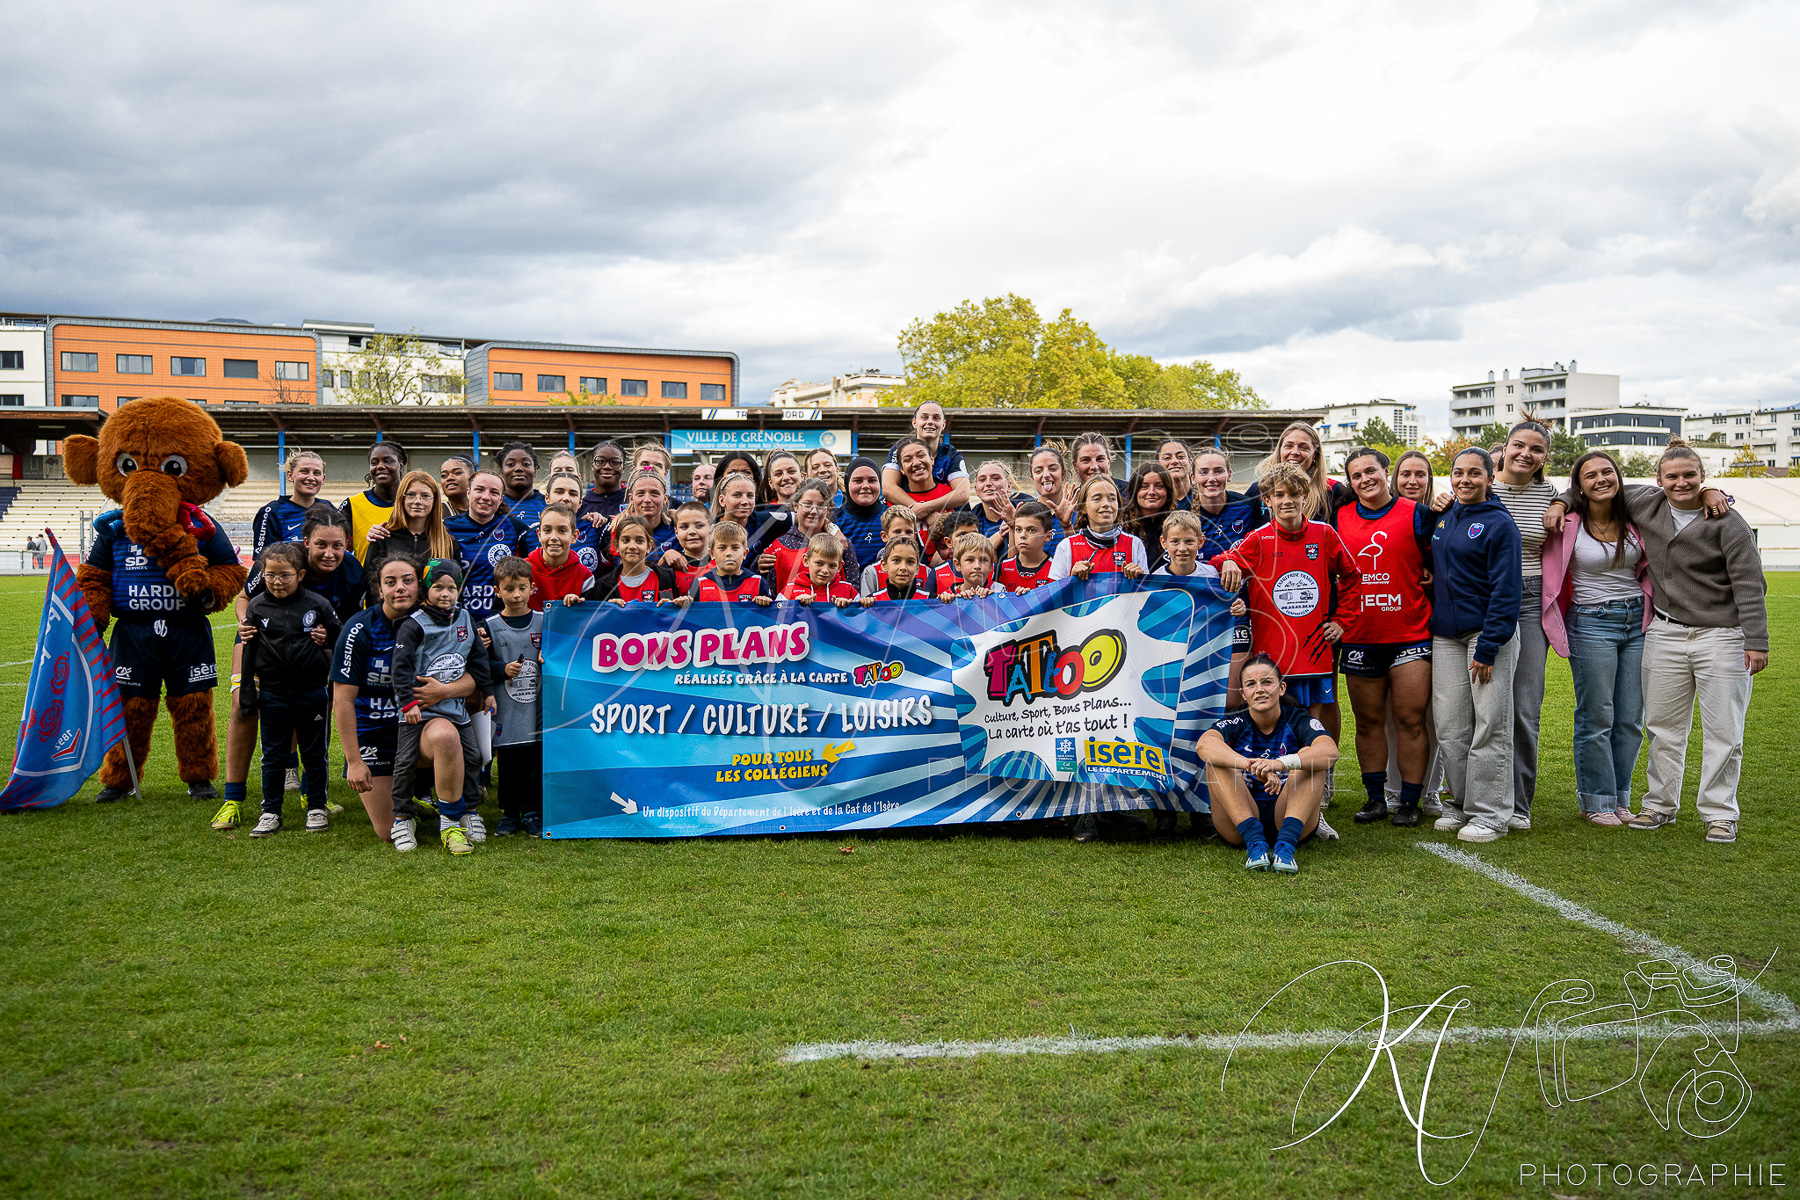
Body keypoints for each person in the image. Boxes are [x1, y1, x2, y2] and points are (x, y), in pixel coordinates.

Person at [1542, 439, 1767, 843]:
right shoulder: (1642, 504)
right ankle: (1653, 804)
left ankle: (1718, 813)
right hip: (1652, 629)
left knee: (1715, 729)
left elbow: (1750, 584)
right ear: (1658, 480)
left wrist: (1757, 640)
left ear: (1702, 477)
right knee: (1656, 727)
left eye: (1690, 476)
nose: (1681, 483)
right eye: (1672, 476)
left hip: (1708, 632)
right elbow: (1583, 488)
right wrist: (1559, 502)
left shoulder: (1722, 520)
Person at [1214, 463, 1359, 812]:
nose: (1287, 500)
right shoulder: (1259, 538)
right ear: (1267, 500)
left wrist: (1342, 621)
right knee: (1278, 729)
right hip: (1273, 658)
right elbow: (1219, 561)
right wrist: (1228, 561)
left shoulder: (1324, 534)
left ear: (1306, 496)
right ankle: (1273, 799)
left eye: (1294, 494)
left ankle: (1314, 802)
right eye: (1279, 495)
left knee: (1311, 730)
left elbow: (1353, 577)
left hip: (1315, 654)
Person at [1541, 450, 1652, 827]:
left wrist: (1710, 491)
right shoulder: (1568, 522)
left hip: (1637, 621)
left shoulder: (1635, 516)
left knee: (1630, 718)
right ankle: (1596, 800)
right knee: (1597, 714)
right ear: (1579, 486)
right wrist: (1561, 502)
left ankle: (1620, 798)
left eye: (1607, 472)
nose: (1601, 479)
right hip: (1591, 622)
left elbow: (1674, 491)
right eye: (1590, 475)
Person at [1332, 448, 1436, 828]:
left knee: (1410, 720)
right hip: (1360, 636)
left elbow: (1442, 560)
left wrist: (1431, 574)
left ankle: (1410, 801)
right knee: (1367, 721)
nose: (1365, 479)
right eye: (1356, 475)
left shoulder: (1418, 514)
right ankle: (1376, 798)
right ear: (1350, 482)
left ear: (1385, 471)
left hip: (1410, 634)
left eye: (1371, 471)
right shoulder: (1339, 517)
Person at [1427, 448, 1522, 845]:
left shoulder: (1500, 523)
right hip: (1446, 636)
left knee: (1490, 725)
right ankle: (1460, 804)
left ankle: (1490, 814)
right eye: (1457, 473)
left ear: (1490, 478)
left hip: (1485, 636)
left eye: (1474, 473)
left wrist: (1489, 646)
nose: (1464, 480)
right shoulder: (1446, 516)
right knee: (1451, 726)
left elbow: (1507, 589)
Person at [332, 554, 439, 849]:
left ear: (419, 587)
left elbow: (473, 678)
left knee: (447, 736)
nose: (400, 588)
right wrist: (354, 761)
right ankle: (410, 801)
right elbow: (342, 701)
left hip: (419, 730)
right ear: (380, 590)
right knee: (387, 832)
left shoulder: (438, 621)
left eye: (408, 580)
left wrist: (443, 691)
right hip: (375, 735)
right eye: (390, 582)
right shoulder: (359, 628)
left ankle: (454, 807)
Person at [1197, 654, 1339, 873]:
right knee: (1217, 760)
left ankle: (1286, 847)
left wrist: (1279, 764)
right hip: (1242, 819)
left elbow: (1330, 751)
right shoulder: (1236, 720)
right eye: (1251, 684)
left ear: (1281, 688)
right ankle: (1255, 844)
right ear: (1243, 694)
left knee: (1310, 757)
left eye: (1267, 682)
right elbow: (1204, 745)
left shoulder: (1298, 718)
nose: (1259, 689)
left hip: (1288, 814)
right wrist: (1250, 765)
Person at [238, 543, 342, 837]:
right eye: (270, 575)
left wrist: (326, 637)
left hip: (312, 692)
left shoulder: (317, 604)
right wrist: (247, 692)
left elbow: (339, 636)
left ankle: (316, 807)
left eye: (285, 575)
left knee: (314, 753)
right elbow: (249, 651)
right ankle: (271, 811)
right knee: (273, 755)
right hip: (272, 694)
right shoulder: (257, 606)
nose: (277, 582)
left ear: (300, 575)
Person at [391, 559, 495, 855]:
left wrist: (488, 692)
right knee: (406, 762)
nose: (445, 594)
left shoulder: (466, 619)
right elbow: (400, 667)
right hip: (418, 711)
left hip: (455, 710)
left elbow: (478, 660)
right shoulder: (413, 624)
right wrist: (408, 703)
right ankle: (402, 817)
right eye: (438, 587)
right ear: (426, 590)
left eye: (452, 588)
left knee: (474, 757)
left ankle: (468, 811)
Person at [1385, 449, 1443, 814]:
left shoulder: (1442, 515)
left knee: (1433, 714)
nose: (1412, 481)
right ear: (1394, 479)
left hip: (1436, 624)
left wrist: (1435, 573)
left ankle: (1431, 789)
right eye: (1405, 474)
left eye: (1420, 474)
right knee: (1395, 714)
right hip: (1390, 625)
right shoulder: (1384, 514)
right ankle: (1394, 788)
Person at [1188, 447, 1258, 709]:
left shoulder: (1247, 507)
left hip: (1240, 610)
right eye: (1203, 472)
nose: (1211, 478)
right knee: (1200, 694)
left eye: (1218, 471)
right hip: (1199, 614)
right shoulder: (1184, 513)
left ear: (1229, 474)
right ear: (1193, 477)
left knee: (1234, 698)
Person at [485, 557, 544, 837]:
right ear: (498, 591)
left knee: (534, 759)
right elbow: (480, 665)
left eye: (522, 588)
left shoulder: (545, 621)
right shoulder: (489, 626)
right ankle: (509, 813)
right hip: (506, 709)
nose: (517, 595)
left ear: (533, 587)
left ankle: (531, 812)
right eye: (509, 589)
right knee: (508, 760)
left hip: (537, 707)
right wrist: (501, 669)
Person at [445, 469, 527, 624]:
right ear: (468, 493)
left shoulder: (515, 528)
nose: (486, 497)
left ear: (501, 499)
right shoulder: (447, 527)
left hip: (501, 623)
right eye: (479, 490)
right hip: (457, 622)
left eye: (494, 492)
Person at [1243, 422, 1351, 528]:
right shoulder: (1258, 490)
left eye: (1304, 448)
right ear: (1279, 451)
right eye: (1289, 446)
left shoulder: (1333, 491)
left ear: (1314, 455)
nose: (1295, 452)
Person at [364, 469, 458, 582]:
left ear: (434, 500)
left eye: (425, 496)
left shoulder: (448, 542)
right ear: (401, 498)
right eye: (411, 495)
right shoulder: (383, 537)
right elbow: (370, 583)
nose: (418, 501)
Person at [766, 479, 857, 593]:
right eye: (808, 504)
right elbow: (770, 594)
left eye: (821, 505)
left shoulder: (842, 544)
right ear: (795, 505)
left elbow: (853, 590)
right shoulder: (779, 547)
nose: (814, 511)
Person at [1048, 476, 1148, 581]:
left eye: (1112, 499)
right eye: (1097, 499)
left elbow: (1147, 589)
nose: (1106, 504)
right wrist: (1071, 580)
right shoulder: (1066, 546)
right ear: (1083, 508)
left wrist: (1140, 580)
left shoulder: (1134, 544)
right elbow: (1054, 590)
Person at [881, 401, 968, 518]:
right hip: (907, 515)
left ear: (943, 424)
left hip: (943, 515)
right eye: (924, 417)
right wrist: (922, 512)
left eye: (936, 418)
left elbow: (963, 493)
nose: (930, 422)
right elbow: (888, 488)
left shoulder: (951, 454)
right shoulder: (899, 449)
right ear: (914, 423)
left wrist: (927, 508)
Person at [340, 440, 406, 563]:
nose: (380, 466)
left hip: (407, 575)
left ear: (401, 466)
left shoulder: (414, 503)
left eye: (387, 461)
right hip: (366, 575)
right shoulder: (351, 505)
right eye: (374, 463)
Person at [252, 449, 330, 554]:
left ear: (323, 479)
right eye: (304, 471)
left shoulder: (328, 508)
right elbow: (262, 558)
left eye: (317, 473)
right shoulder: (272, 512)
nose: (311, 478)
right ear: (290, 475)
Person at [709, 469, 797, 562]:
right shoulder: (708, 530)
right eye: (737, 495)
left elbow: (800, 518)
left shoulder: (763, 521)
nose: (745, 501)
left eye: (750, 495)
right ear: (722, 500)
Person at [592, 514, 679, 603]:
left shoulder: (666, 578)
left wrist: (682, 603)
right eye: (626, 540)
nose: (632, 546)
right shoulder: (602, 586)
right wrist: (609, 609)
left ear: (649, 546)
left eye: (639, 541)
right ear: (616, 546)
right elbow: (587, 608)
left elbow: (677, 609)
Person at [527, 503, 595, 609]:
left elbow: (590, 615)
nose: (554, 537)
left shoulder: (585, 577)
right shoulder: (522, 570)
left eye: (562, 531)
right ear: (539, 535)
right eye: (547, 530)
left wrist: (578, 606)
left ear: (574, 536)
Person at [688, 521, 774, 604]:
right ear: (712, 554)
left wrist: (766, 603)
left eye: (735, 548)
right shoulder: (699, 584)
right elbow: (688, 613)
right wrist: (683, 604)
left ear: (745, 553)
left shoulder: (758, 583)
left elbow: (771, 612)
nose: (729, 553)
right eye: (722, 548)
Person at [834, 457, 888, 571]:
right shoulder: (833, 521)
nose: (865, 486)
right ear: (847, 484)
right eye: (858, 481)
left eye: (872, 480)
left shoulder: (893, 518)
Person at [1122, 463, 1176, 571]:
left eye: (1159, 486)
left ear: (1168, 491)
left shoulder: (1177, 524)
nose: (1151, 492)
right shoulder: (1120, 527)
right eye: (1144, 487)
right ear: (1134, 491)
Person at [858, 506, 922, 595]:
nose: (903, 536)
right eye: (897, 532)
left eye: (908, 532)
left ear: (915, 537)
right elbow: (866, 602)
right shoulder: (872, 572)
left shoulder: (925, 571)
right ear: (884, 536)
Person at [781, 535, 858, 606]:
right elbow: (777, 614)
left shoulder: (849, 591)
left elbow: (860, 614)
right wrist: (794, 605)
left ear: (839, 566)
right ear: (806, 560)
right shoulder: (790, 590)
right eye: (819, 563)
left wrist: (848, 609)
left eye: (832, 566)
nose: (825, 570)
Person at [996, 501, 1055, 592]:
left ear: (1047, 536)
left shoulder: (1055, 568)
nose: (1023, 535)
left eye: (1031, 530)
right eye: (1018, 529)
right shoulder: (1002, 567)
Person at [861, 536, 932, 603]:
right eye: (896, 560)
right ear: (884, 565)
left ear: (917, 568)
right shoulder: (873, 600)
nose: (903, 567)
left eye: (910, 562)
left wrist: (939, 601)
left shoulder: (930, 600)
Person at [577, 440, 629, 528]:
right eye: (601, 461)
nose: (607, 466)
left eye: (615, 462)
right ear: (592, 466)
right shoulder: (581, 506)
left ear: (623, 467)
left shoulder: (633, 501)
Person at [1028, 444, 1076, 534]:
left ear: (1063, 474)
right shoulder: (1025, 516)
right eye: (1038, 471)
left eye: (1053, 469)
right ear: (1032, 478)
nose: (1046, 475)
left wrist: (1067, 526)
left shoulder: (1079, 513)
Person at [496, 441, 545, 530]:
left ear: (534, 471)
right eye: (510, 464)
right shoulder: (494, 504)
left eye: (526, 464)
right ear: (502, 472)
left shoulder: (547, 504)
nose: (518, 468)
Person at [667, 501, 713, 592]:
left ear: (711, 529)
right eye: (684, 527)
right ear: (676, 532)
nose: (692, 532)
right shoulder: (669, 568)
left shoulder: (723, 563)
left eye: (699, 526)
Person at [940, 532, 1001, 600]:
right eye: (970, 560)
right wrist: (947, 601)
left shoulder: (999, 590)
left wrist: (992, 598)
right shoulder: (949, 595)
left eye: (983, 560)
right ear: (957, 564)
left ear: (991, 565)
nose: (977, 566)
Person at [1157, 439, 1194, 509]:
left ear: (1191, 463)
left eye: (1180, 456)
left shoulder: (1204, 499)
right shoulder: (1153, 500)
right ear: (1158, 465)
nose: (1174, 461)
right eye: (1167, 458)